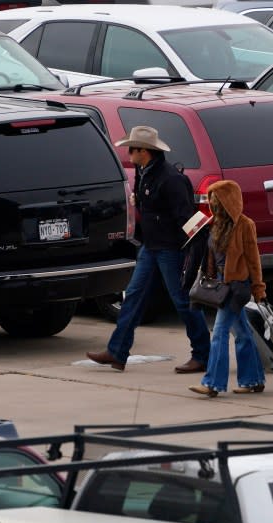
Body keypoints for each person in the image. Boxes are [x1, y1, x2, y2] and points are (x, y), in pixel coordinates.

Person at [87, 125, 210, 373]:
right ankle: (117, 352)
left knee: (182, 300)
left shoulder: (171, 179)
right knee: (132, 296)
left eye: (132, 149)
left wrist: (195, 252)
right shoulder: (144, 172)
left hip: (171, 250)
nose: (128, 153)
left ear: (145, 151)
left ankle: (203, 355)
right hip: (150, 247)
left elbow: (187, 216)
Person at [188, 180, 266, 397]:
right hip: (219, 286)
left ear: (230, 202)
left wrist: (259, 290)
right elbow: (208, 256)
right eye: (212, 201)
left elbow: (253, 260)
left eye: (218, 201)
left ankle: (213, 383)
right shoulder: (213, 224)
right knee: (242, 333)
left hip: (236, 287)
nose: (214, 205)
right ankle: (254, 380)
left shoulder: (245, 225)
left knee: (220, 332)